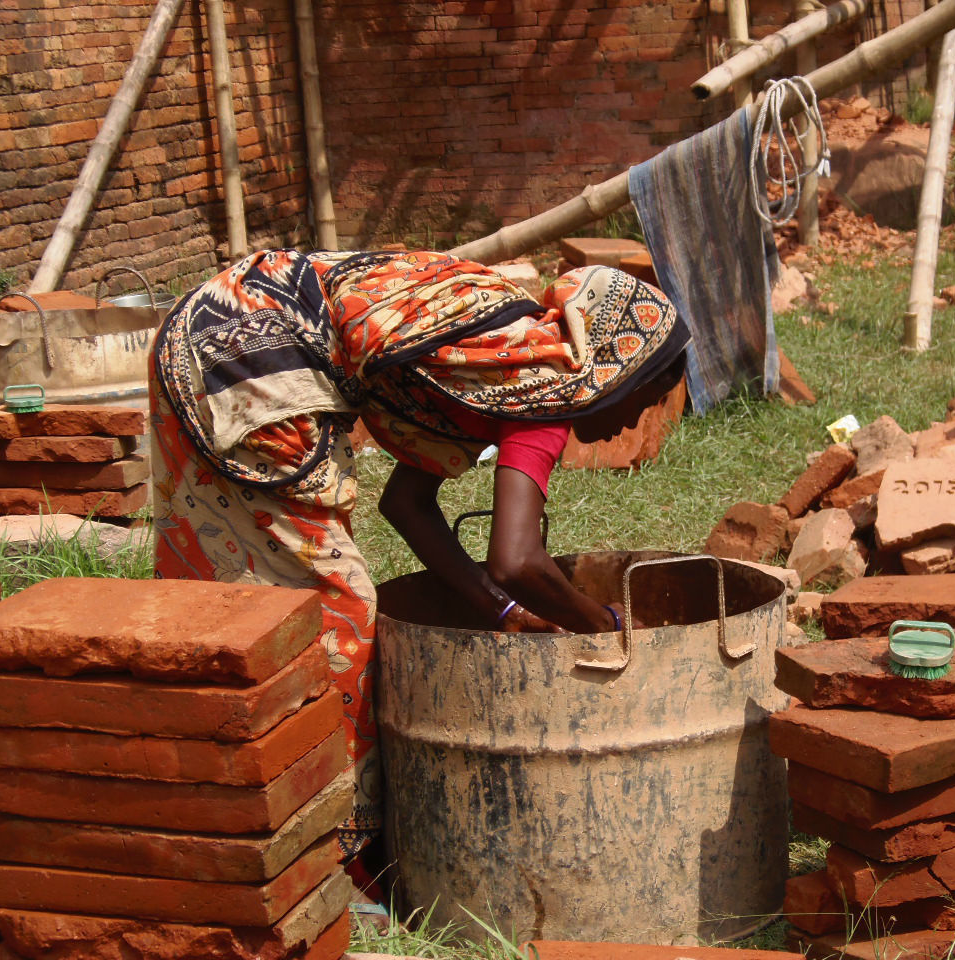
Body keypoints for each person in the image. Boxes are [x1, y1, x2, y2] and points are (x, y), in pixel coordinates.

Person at [149, 247, 689, 873]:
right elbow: (517, 559)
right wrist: (604, 626)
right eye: (646, 398)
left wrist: (504, 613)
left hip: (211, 325)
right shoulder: (549, 384)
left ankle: (213, 782)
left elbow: (406, 503)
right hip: (252, 357)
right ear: (616, 367)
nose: (638, 421)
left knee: (245, 600)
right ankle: (338, 860)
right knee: (336, 621)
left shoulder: (501, 347)